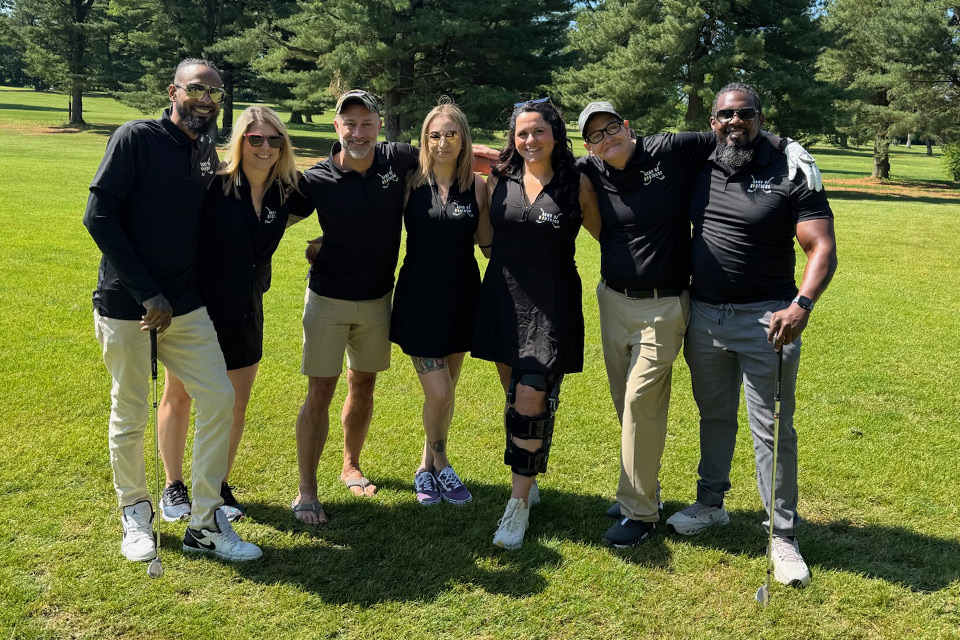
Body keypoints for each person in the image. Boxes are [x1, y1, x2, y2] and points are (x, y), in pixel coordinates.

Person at [575, 101, 823, 548]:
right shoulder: (592, 170)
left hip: (671, 305)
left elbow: (735, 132)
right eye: (595, 136)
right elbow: (542, 163)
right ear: (588, 147)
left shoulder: (669, 149)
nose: (606, 138)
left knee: (642, 401)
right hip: (618, 301)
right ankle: (651, 490)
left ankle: (642, 514)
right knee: (631, 403)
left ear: (627, 126)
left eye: (611, 128)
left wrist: (788, 145)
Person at [83, 58, 262, 562]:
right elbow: (98, 216)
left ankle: (204, 522)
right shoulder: (135, 138)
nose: (206, 99)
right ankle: (135, 512)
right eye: (196, 89)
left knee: (219, 398)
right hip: (128, 306)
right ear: (173, 91)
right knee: (131, 410)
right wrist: (147, 293)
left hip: (185, 305)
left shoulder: (205, 149)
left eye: (215, 93)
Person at [665, 82, 837, 588]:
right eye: (725, 115)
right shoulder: (700, 160)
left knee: (773, 429)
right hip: (704, 316)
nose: (735, 122)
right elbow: (635, 152)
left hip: (769, 319)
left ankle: (782, 534)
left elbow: (821, 247)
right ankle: (710, 503)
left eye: (745, 114)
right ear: (712, 122)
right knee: (714, 414)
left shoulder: (791, 169)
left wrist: (801, 305)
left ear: (761, 118)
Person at [156, 105, 309, 524]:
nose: (265, 147)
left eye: (274, 139)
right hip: (196, 309)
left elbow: (341, 204)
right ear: (240, 141)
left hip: (246, 310)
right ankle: (174, 485)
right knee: (180, 395)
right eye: (255, 138)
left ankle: (218, 484)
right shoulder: (213, 184)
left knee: (236, 404)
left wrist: (325, 244)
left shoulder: (287, 191)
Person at [473, 98, 600, 549]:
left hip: (552, 302)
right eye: (522, 133)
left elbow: (608, 235)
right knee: (517, 399)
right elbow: (487, 236)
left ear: (555, 134)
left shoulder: (576, 182)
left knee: (529, 399)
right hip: (503, 298)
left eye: (539, 131)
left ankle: (517, 505)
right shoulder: (500, 177)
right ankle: (529, 476)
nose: (530, 140)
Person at [290, 90, 419, 524]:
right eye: (350, 124)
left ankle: (350, 465)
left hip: (379, 300)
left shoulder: (398, 159)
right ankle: (307, 491)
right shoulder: (317, 178)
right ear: (337, 127)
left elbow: (454, 155)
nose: (358, 133)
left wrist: (511, 161)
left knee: (363, 385)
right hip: (327, 299)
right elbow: (270, 215)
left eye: (366, 123)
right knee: (320, 392)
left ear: (379, 126)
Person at [389, 102, 489, 505]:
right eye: (435, 135)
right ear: (424, 140)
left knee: (446, 391)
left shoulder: (477, 187)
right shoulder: (409, 184)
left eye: (451, 134)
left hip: (462, 298)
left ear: (463, 139)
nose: (443, 142)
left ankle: (425, 467)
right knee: (440, 393)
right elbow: (377, 228)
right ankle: (442, 464)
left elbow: (489, 246)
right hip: (419, 300)